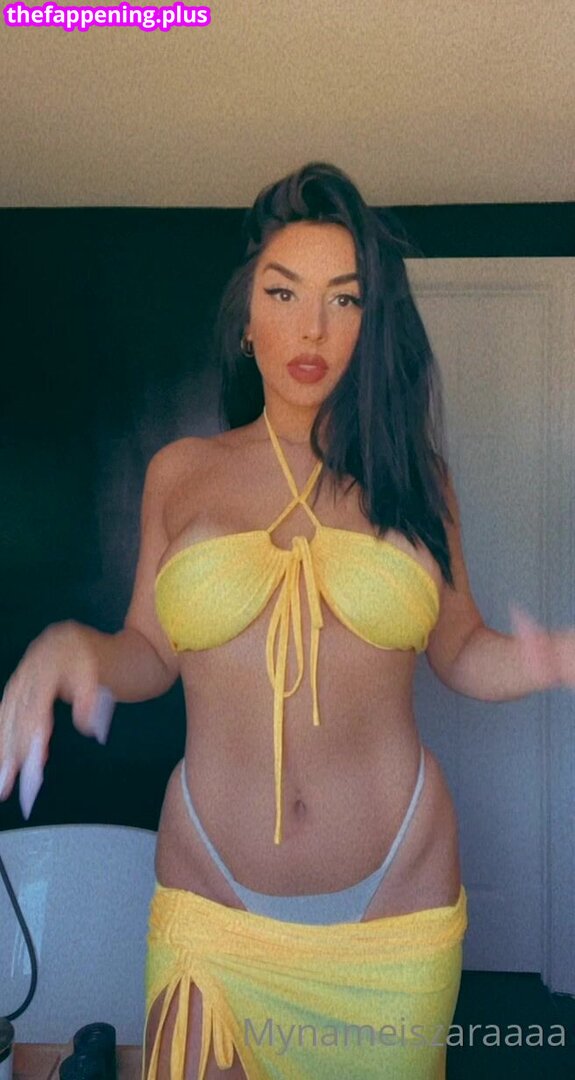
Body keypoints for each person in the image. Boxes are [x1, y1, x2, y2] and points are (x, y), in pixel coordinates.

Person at [0, 162, 573, 1080]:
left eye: (344, 300)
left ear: (372, 325)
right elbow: (148, 650)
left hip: (396, 900)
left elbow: (461, 649)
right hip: (212, 906)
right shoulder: (181, 472)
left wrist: (554, 658)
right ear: (246, 318)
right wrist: (73, 646)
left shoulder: (414, 478)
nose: (312, 327)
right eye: (284, 293)